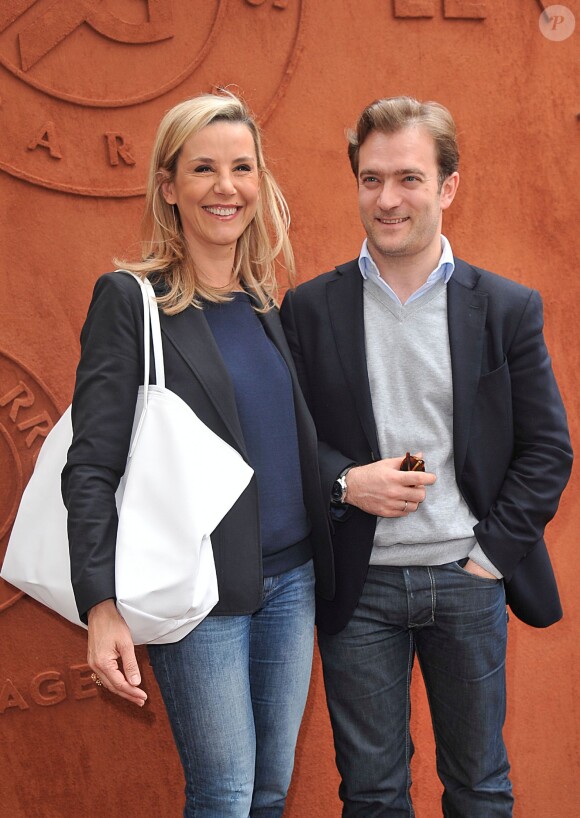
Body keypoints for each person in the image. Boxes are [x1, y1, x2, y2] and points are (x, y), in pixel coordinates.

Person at [280, 96, 572, 816]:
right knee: (373, 796)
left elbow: (548, 449)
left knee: (479, 790)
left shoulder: (505, 307)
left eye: (409, 178)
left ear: (446, 187)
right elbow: (286, 443)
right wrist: (346, 481)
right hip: (360, 586)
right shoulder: (309, 308)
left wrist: (490, 556)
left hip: (468, 580)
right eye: (371, 179)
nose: (388, 199)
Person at [62, 90, 334, 818]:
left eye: (242, 168)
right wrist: (101, 606)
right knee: (225, 796)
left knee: (269, 793)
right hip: (200, 595)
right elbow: (92, 466)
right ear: (168, 186)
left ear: (260, 183)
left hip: (292, 583)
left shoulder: (261, 303)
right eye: (204, 168)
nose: (226, 187)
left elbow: (282, 448)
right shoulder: (130, 300)